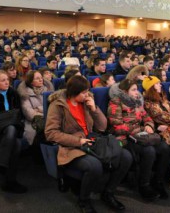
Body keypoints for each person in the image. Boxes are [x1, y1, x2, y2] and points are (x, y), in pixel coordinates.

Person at [45, 76, 132, 212]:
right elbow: (51, 133)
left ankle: (108, 193)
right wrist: (78, 141)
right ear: (74, 92)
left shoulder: (86, 102)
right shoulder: (58, 105)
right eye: (84, 92)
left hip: (92, 141)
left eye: (87, 91)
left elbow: (102, 127)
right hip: (71, 146)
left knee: (126, 156)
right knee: (94, 166)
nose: (87, 95)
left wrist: (94, 109)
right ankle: (83, 200)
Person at [108, 79, 169, 201]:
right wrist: (139, 129)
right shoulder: (115, 103)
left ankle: (158, 181)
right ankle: (144, 185)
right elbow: (118, 127)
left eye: (137, 89)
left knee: (164, 147)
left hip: (140, 135)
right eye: (134, 90)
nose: (137, 93)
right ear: (125, 92)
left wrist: (149, 126)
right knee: (149, 151)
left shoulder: (137, 102)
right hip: (125, 138)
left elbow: (147, 118)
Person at [17, 70, 54, 145]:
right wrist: (45, 112)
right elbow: (29, 113)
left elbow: (53, 108)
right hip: (33, 122)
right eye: (37, 78)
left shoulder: (48, 91)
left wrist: (39, 109)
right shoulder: (25, 93)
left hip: (50, 118)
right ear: (31, 82)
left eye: (41, 77)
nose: (41, 80)